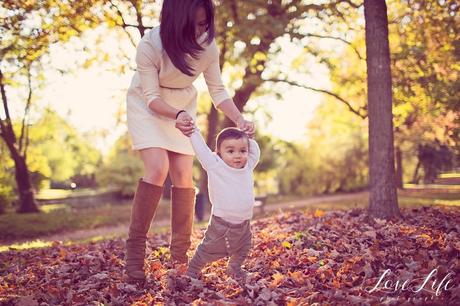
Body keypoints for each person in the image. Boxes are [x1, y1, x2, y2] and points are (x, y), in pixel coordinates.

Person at [124, 0, 255, 283]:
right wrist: (178, 114)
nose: (200, 30)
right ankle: (134, 258)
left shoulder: (207, 46)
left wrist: (239, 119)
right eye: (194, 24)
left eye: (204, 24)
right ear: (175, 21)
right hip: (149, 105)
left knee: (184, 175)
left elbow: (218, 91)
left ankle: (179, 258)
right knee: (158, 168)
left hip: (183, 101)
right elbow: (152, 99)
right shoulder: (150, 45)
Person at [184, 126, 260, 281]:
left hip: (244, 223)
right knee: (208, 249)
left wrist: (249, 136)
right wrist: (193, 132)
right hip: (222, 224)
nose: (238, 156)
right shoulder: (215, 165)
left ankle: (234, 268)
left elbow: (256, 152)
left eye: (243, 151)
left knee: (244, 247)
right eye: (230, 151)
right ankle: (192, 270)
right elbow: (201, 150)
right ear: (218, 152)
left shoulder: (248, 166)